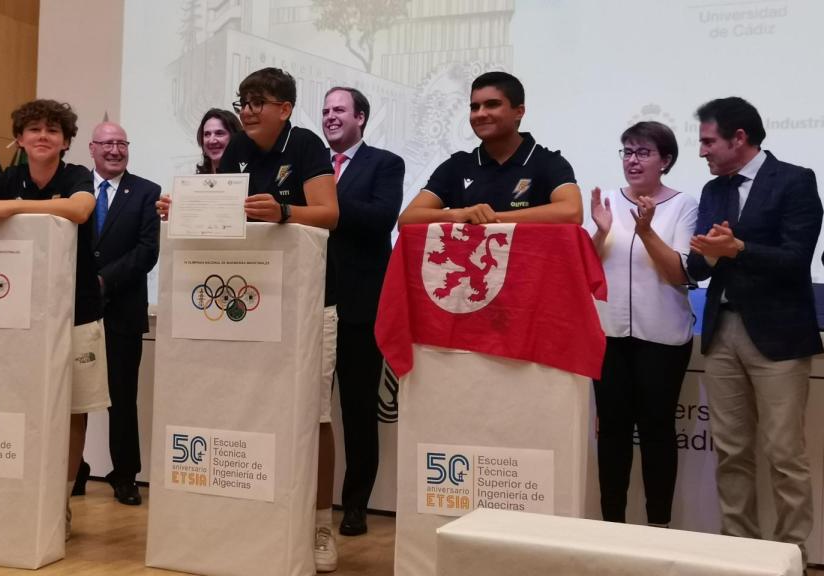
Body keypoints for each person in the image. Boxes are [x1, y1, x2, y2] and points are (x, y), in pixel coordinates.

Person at [157, 67, 339, 572]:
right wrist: (182, 208)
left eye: (259, 101)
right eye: (244, 101)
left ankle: (320, 522)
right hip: (249, 301)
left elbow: (329, 213)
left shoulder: (306, 145)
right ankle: (250, 514)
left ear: (285, 108)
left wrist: (284, 212)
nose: (249, 111)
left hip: (306, 303)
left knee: (315, 413)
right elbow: (223, 213)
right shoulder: (236, 148)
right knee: (246, 406)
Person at [0, 99, 110, 540]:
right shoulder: (9, 180)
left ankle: (59, 504)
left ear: (66, 141)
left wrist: (13, 208)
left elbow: (79, 210)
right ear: (19, 139)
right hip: (21, 318)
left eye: (53, 130)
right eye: (34, 129)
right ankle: (17, 496)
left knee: (74, 411)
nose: (43, 136)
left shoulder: (76, 175)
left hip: (78, 311)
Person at [687, 97, 822, 562]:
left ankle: (791, 556)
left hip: (778, 336)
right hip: (721, 331)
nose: (702, 151)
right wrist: (708, 255)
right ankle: (739, 555)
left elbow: (796, 259)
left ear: (739, 138)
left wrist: (738, 248)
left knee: (785, 454)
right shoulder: (713, 190)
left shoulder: (795, 180)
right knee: (730, 451)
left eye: (709, 141)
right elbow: (698, 267)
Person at [589, 121, 697, 528]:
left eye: (643, 153)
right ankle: (611, 525)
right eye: (628, 152)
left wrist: (647, 230)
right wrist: (600, 233)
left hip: (662, 340)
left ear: (665, 161)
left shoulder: (684, 205)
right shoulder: (607, 202)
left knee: (657, 431)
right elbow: (584, 269)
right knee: (612, 432)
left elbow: (678, 273)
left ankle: (659, 527)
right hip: (609, 336)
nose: (633, 161)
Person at [320, 86, 404, 538]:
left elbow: (381, 218)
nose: (330, 117)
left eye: (340, 110)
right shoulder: (311, 166)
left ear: (361, 118)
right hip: (310, 305)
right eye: (325, 111)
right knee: (307, 411)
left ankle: (355, 505)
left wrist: (325, 201)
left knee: (357, 414)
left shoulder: (385, 163)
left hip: (360, 308)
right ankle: (307, 500)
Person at [75, 121, 160, 506]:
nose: (115, 150)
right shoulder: (75, 191)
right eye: (107, 144)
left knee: (122, 398)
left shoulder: (146, 192)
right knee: (74, 397)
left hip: (123, 311)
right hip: (76, 311)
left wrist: (104, 280)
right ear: (92, 148)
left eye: (122, 143)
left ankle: (125, 475)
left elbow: (147, 251)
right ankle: (74, 470)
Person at [398, 71, 581, 226]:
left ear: (519, 112)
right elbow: (407, 219)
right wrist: (458, 214)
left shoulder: (548, 162)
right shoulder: (457, 165)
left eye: (492, 104)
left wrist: (491, 219)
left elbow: (572, 213)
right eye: (474, 107)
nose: (480, 114)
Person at [196, 108, 242, 174]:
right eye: (207, 134)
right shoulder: (195, 180)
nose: (211, 141)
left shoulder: (250, 177)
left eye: (219, 133)